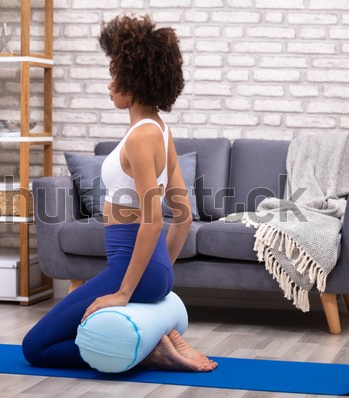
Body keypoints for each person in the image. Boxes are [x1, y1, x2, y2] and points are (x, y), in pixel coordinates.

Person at [22, 14, 217, 373]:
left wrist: (124, 292)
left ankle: (151, 352)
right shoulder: (160, 130)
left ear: (136, 81)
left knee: (34, 347)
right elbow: (184, 215)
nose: (109, 84)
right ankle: (155, 341)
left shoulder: (142, 137)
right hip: (155, 270)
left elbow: (154, 218)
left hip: (130, 271)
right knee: (71, 329)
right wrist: (161, 271)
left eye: (116, 75)